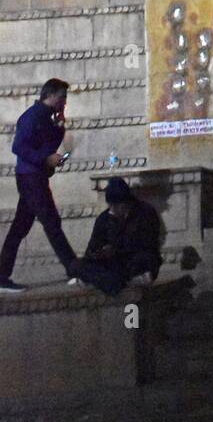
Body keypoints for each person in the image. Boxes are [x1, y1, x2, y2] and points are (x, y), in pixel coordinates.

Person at [0, 78, 78, 292]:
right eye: (62, 97)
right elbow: (19, 147)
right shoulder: (32, 116)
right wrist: (45, 159)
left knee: (20, 226)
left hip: (35, 177)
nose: (64, 102)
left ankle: (1, 275)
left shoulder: (47, 118)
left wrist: (60, 128)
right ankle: (74, 269)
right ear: (50, 95)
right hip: (30, 177)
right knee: (51, 222)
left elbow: (48, 145)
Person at [72, 177, 162, 296]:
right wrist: (100, 253)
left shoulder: (145, 212)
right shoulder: (105, 218)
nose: (112, 209)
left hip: (135, 260)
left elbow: (148, 244)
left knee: (144, 260)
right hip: (113, 263)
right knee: (77, 265)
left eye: (116, 205)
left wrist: (117, 249)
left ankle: (106, 282)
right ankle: (117, 282)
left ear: (126, 202)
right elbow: (91, 249)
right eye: (110, 205)